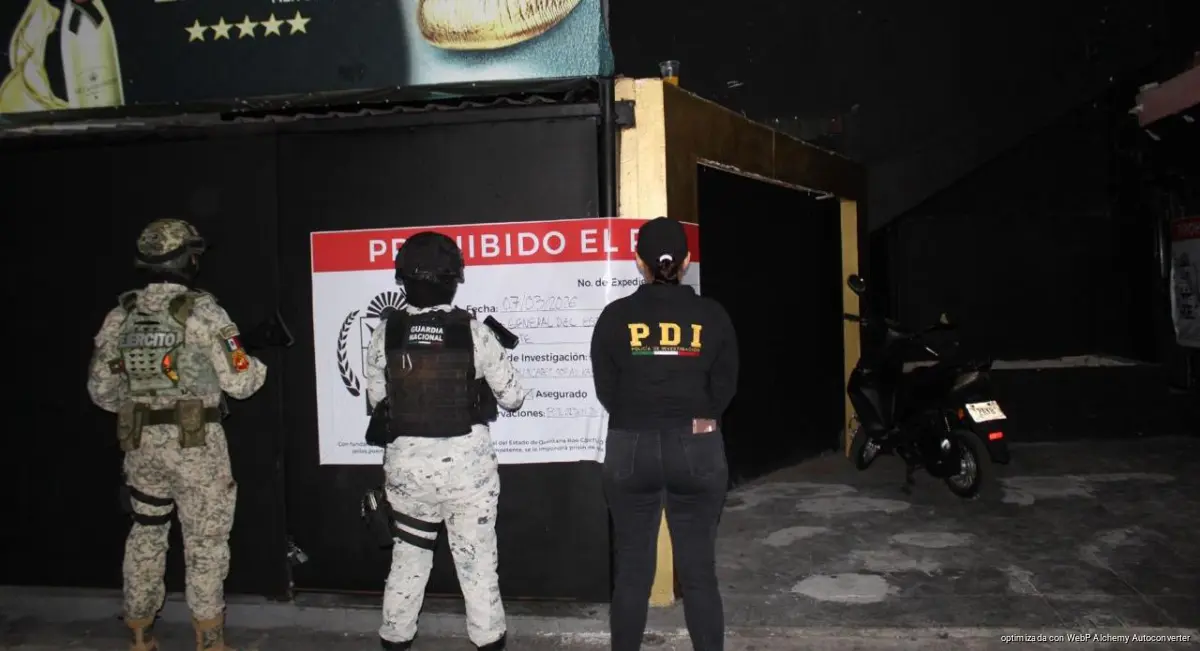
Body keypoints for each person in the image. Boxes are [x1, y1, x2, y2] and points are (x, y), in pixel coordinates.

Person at [87, 218, 268, 651]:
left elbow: (100, 391)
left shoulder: (121, 315)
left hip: (141, 448)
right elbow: (242, 382)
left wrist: (143, 402)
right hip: (196, 447)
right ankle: (210, 640)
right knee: (205, 542)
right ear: (188, 258)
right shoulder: (204, 313)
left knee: (146, 533)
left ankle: (139, 633)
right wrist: (255, 362)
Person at [364, 232, 526, 651]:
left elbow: (377, 399)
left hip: (408, 471)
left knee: (408, 558)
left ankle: (395, 639)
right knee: (477, 564)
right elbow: (513, 397)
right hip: (466, 473)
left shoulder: (384, 333)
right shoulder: (475, 333)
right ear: (454, 279)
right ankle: (488, 641)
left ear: (402, 279)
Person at [590, 217, 739, 651]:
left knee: (632, 571)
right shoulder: (712, 315)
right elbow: (726, 385)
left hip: (629, 446)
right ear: (687, 261)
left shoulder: (614, 316)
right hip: (696, 446)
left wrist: (637, 415)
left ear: (639, 262)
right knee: (699, 572)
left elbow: (606, 388)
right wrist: (701, 417)